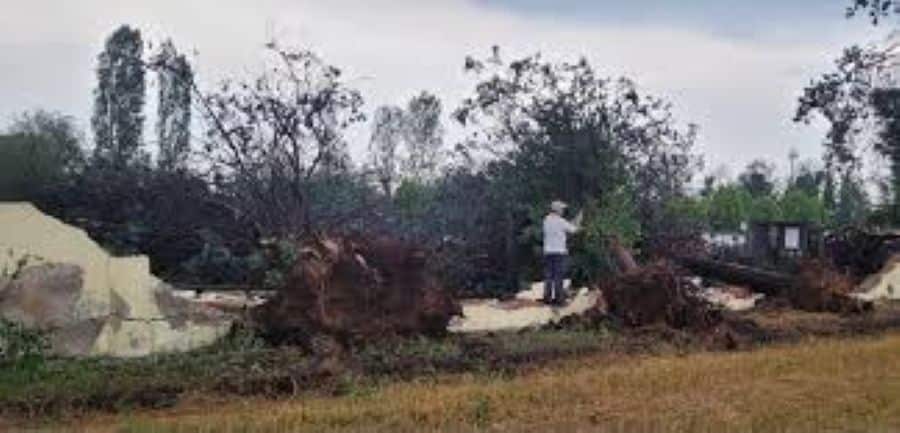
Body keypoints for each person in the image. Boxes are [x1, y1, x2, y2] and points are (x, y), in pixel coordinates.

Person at [542, 200, 582, 306]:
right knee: (558, 276)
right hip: (559, 252)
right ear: (558, 210)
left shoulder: (546, 220)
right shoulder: (560, 221)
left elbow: (566, 227)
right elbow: (574, 230)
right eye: (562, 209)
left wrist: (572, 223)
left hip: (548, 252)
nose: (563, 211)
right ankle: (559, 300)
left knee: (549, 276)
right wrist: (578, 220)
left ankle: (547, 298)